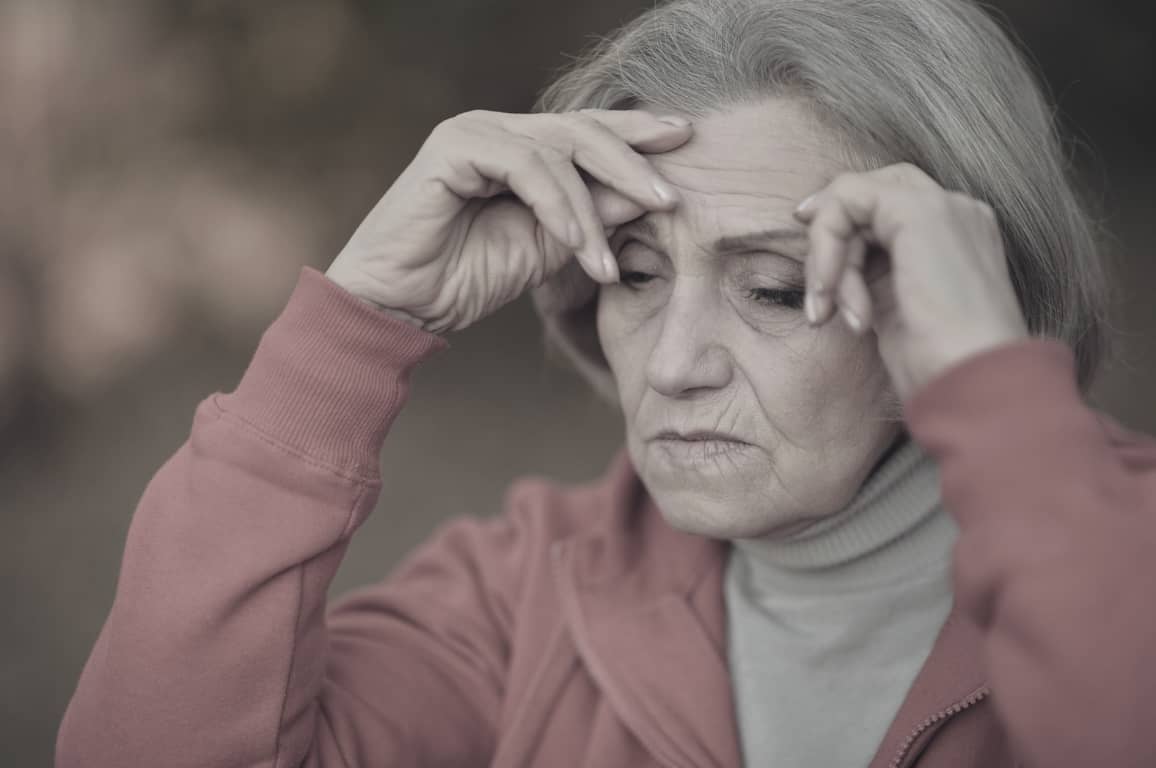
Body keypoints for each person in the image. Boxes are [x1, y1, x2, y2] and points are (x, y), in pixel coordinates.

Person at [56, 0, 1156, 766]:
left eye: (775, 289)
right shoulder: (523, 597)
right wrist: (349, 334)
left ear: (957, 285)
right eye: (632, 275)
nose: (674, 364)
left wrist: (995, 388)